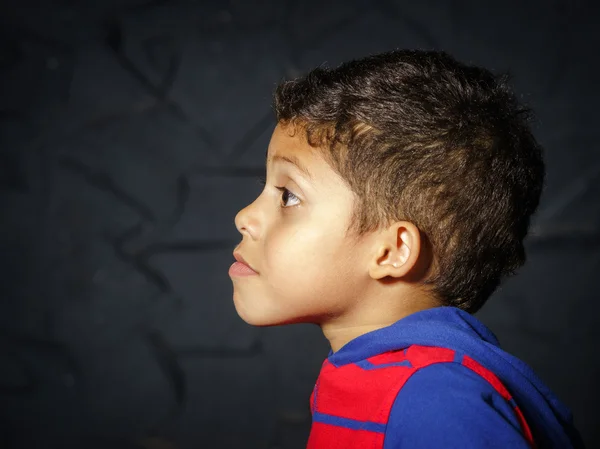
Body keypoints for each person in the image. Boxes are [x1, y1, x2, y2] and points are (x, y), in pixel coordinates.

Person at [228, 50, 584, 448]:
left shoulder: (434, 401)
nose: (245, 217)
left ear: (391, 251)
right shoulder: (383, 377)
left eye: (288, 196)